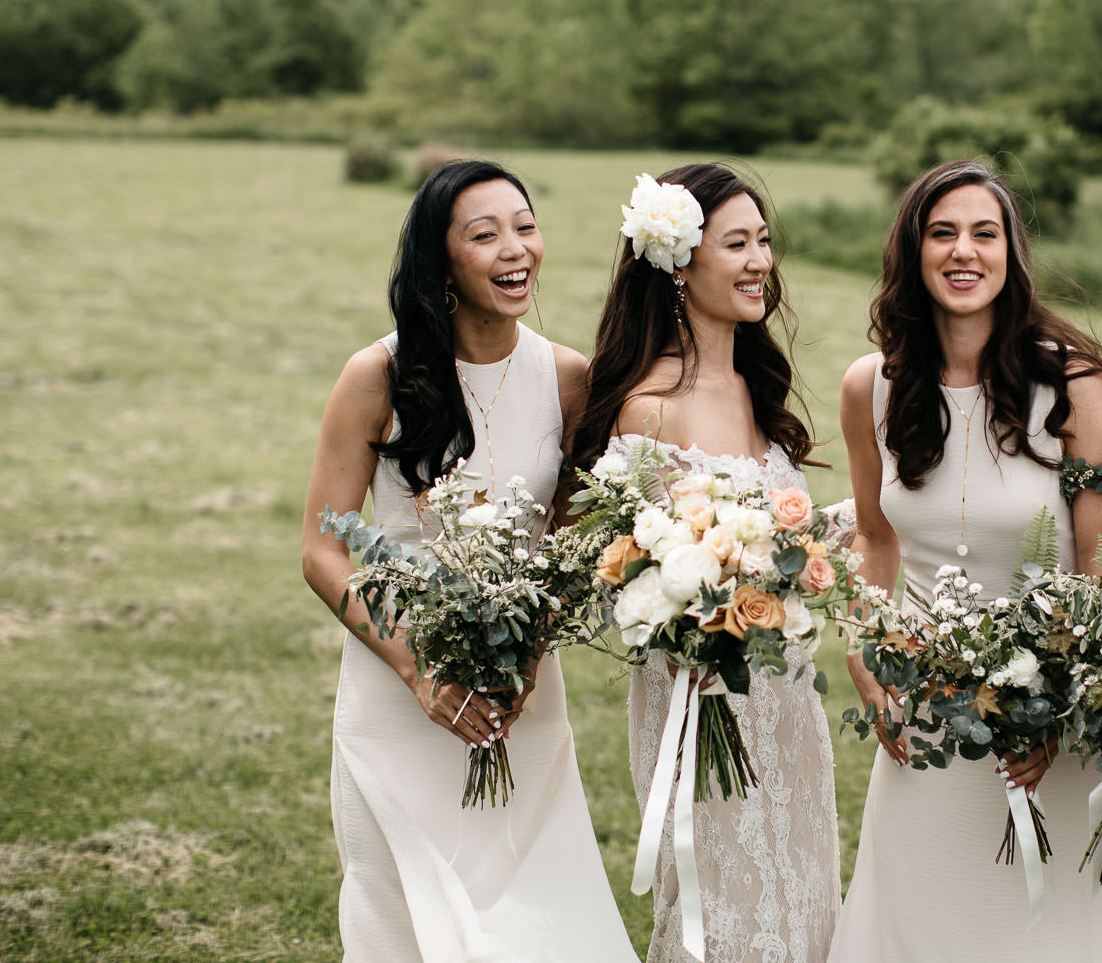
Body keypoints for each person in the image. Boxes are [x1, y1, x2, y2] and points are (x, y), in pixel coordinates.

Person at [300, 160, 636, 963]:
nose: (515, 248)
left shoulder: (566, 379)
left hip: (523, 697)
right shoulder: (376, 375)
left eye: (525, 225)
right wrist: (422, 671)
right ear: (441, 263)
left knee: (537, 918)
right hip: (395, 689)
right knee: (405, 923)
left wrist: (528, 649)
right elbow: (322, 547)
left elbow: (566, 546)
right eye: (485, 235)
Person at [828, 159, 1102, 961]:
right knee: (920, 923)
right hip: (925, 716)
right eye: (942, 233)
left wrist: (1053, 701)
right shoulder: (871, 387)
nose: (963, 252)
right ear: (913, 251)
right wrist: (868, 655)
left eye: (984, 233)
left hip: (1042, 726)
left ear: (1011, 254)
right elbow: (876, 539)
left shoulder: (1073, 385)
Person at [565, 163, 841, 963]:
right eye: (737, 244)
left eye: (763, 241)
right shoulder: (650, 405)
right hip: (702, 696)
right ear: (679, 265)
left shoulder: (755, 391)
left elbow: (784, 543)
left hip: (783, 697)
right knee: (725, 905)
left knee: (801, 891)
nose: (760, 261)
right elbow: (626, 562)